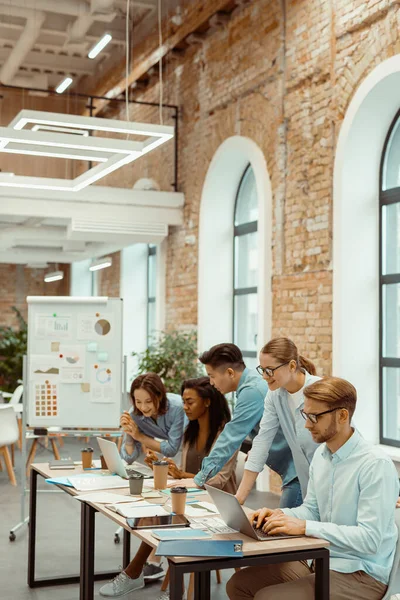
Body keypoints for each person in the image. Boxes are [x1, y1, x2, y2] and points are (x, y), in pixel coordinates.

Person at [227, 376, 399, 600]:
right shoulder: (322, 455)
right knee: (238, 585)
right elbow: (312, 509)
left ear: (343, 415)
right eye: (305, 415)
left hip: (361, 573)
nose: (307, 425)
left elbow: (369, 539)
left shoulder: (375, 465)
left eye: (314, 417)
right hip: (321, 560)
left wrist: (305, 526)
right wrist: (278, 515)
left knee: (269, 597)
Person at [99, 376, 237, 599]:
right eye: (183, 401)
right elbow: (183, 468)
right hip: (192, 496)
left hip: (219, 502)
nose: (183, 408)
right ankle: (158, 583)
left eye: (189, 402)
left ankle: (150, 580)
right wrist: (169, 468)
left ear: (208, 402)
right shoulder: (191, 430)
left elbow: (218, 480)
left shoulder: (226, 433)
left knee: (172, 516)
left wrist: (181, 475)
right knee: (161, 511)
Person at [193, 342, 302, 509]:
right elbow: (263, 438)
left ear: (230, 372)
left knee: (285, 529)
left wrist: (200, 479)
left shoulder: (253, 390)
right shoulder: (258, 387)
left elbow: (230, 437)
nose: (211, 382)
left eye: (212, 376)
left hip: (299, 473)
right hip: (294, 472)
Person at [235, 337, 321, 505]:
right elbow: (262, 442)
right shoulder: (274, 396)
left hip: (334, 483)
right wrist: (239, 498)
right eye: (262, 369)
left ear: (291, 366)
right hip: (307, 485)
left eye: (271, 370)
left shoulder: (320, 390)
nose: (265, 377)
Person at [120, 372, 185, 464]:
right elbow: (129, 458)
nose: (143, 407)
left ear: (160, 396)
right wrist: (129, 433)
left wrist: (139, 436)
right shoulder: (135, 414)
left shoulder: (177, 408)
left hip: (193, 445)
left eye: (148, 401)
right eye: (138, 402)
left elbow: (172, 450)